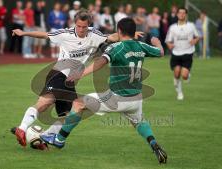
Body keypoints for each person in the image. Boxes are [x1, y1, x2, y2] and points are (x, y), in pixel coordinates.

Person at [40, 17, 167, 164]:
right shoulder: (141, 46)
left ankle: (59, 139)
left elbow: (100, 62)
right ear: (133, 32)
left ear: (119, 31)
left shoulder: (116, 47)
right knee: (139, 122)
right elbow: (161, 52)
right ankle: (154, 144)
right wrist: (157, 43)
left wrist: (80, 74)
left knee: (78, 103)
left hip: (117, 98)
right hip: (136, 99)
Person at [10, 10, 143, 150]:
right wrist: (23, 33)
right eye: (78, 26)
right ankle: (23, 129)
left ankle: (42, 137)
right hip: (58, 74)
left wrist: (128, 36)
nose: (80, 29)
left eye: (84, 27)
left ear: (89, 25)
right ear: (75, 23)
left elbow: (111, 37)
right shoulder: (65, 34)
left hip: (70, 81)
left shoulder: (94, 34)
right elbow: (44, 35)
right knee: (45, 103)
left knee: (70, 115)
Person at [165, 7, 199, 100]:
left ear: (186, 15)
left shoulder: (191, 25)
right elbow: (168, 40)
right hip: (176, 53)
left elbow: (197, 36)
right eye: (180, 13)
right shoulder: (172, 27)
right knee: (176, 74)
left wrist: (195, 40)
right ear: (177, 14)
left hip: (188, 52)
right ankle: (179, 93)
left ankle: (187, 75)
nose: (181, 14)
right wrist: (169, 45)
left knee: (184, 76)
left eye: (183, 13)